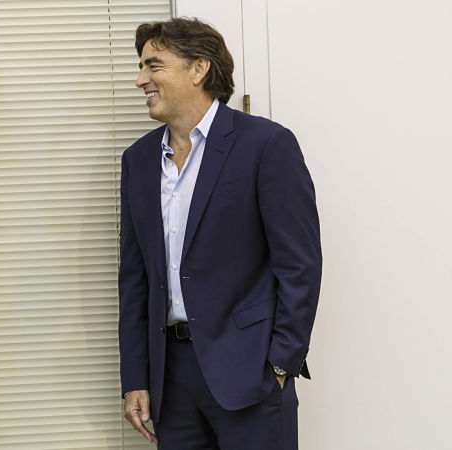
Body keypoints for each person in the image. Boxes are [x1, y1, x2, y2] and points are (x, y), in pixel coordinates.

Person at [118, 17, 321, 449]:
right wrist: (136, 377)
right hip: (170, 383)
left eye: (153, 66)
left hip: (250, 376)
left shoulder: (265, 145)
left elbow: (299, 265)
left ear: (199, 68)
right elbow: (134, 280)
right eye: (141, 67)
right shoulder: (136, 161)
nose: (140, 80)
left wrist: (281, 365)